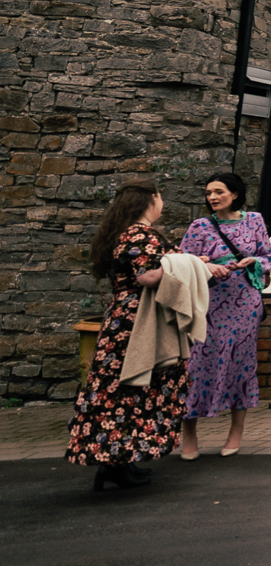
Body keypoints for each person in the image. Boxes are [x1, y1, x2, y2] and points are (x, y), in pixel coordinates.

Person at [66, 181, 220, 490]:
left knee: (121, 390)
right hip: (137, 323)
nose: (162, 202)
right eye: (161, 196)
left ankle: (117, 463)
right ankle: (116, 463)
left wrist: (195, 264)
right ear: (151, 200)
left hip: (124, 319)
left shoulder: (124, 233)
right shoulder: (139, 234)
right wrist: (190, 262)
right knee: (130, 388)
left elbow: (158, 266)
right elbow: (148, 275)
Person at [178, 171, 269, 458]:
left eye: (218, 191)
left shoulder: (255, 220)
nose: (213, 197)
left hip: (245, 303)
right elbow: (181, 263)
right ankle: (188, 434)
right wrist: (205, 264)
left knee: (240, 364)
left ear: (235, 194)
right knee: (196, 365)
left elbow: (267, 256)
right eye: (209, 193)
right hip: (207, 304)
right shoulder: (200, 226)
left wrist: (253, 260)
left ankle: (235, 432)